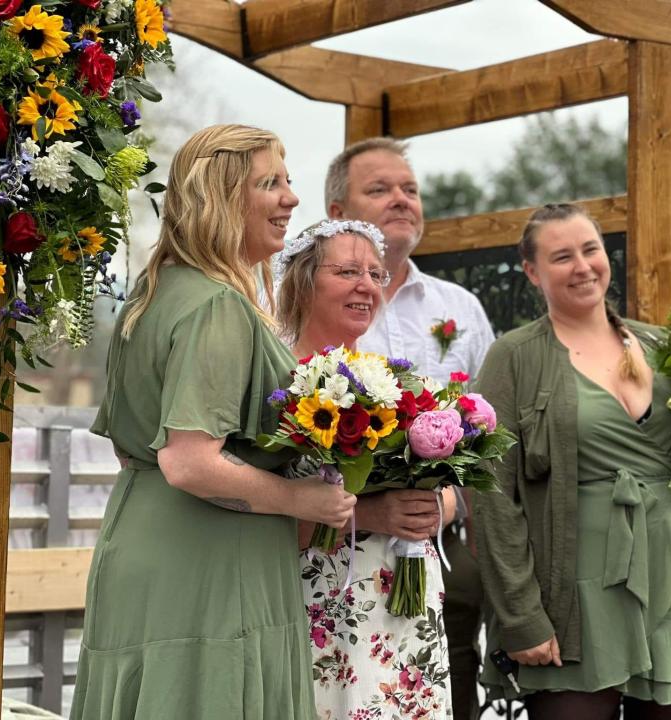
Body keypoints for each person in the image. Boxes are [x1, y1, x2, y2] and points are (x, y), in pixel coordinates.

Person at [70, 125, 356, 720]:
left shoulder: (153, 293)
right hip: (210, 566)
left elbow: (136, 452)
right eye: (269, 183)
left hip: (144, 539)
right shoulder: (216, 305)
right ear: (222, 198)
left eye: (288, 181)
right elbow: (188, 459)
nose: (291, 199)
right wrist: (300, 499)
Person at [473, 203, 671, 720]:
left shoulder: (667, 348)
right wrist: (521, 617)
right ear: (532, 272)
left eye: (591, 249)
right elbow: (492, 494)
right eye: (562, 256)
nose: (582, 266)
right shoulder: (514, 357)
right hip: (573, 600)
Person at [325, 137, 495, 720]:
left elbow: (487, 435)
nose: (401, 199)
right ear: (336, 214)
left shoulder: (461, 308)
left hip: (443, 550)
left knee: (448, 694)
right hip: (332, 551)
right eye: (379, 189)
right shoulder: (305, 303)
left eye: (410, 189)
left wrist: (447, 504)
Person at [275, 218, 456, 719]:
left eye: (376, 275)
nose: (367, 287)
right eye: (348, 271)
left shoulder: (393, 382)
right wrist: (370, 515)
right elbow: (252, 517)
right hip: (324, 608)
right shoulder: (277, 384)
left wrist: (433, 506)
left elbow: (451, 491)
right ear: (303, 281)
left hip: (405, 614)